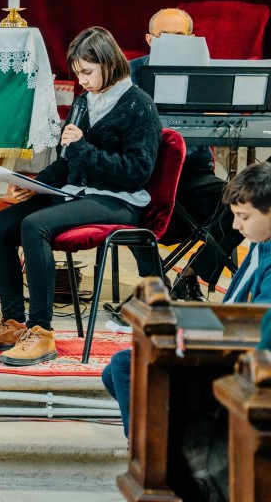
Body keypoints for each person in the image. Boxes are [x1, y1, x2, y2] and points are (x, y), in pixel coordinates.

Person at [0, 26, 162, 366]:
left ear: (108, 63)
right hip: (78, 194)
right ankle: (13, 323)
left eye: (87, 72)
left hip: (120, 200)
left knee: (35, 226)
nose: (81, 81)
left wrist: (83, 148)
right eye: (77, 73)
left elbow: (136, 172)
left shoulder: (138, 105)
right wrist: (34, 184)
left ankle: (41, 332)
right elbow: (67, 161)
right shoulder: (84, 102)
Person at [103, 160, 271, 435]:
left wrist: (199, 339)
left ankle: (155, 453)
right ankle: (172, 442)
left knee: (124, 367)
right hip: (229, 344)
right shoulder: (260, 243)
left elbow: (257, 327)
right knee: (117, 371)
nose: (235, 225)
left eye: (244, 216)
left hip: (240, 364)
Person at [128, 7, 242, 300]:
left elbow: (224, 117)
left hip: (194, 174)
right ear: (150, 40)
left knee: (246, 202)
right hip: (145, 176)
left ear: (192, 39)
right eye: (164, 36)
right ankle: (155, 282)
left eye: (179, 36)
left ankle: (191, 274)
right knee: (120, 200)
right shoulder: (127, 74)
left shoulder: (208, 72)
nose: (173, 42)